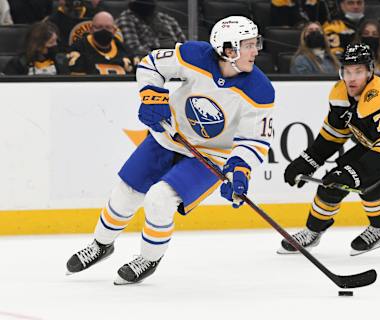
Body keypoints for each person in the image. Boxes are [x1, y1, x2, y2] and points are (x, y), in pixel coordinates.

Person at [65, 16, 275, 284]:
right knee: (125, 192)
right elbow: (151, 64)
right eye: (248, 44)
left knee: (159, 199)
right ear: (228, 49)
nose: (256, 50)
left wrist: (239, 169)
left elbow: (254, 141)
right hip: (169, 135)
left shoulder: (261, 90)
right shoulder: (194, 54)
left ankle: (149, 259)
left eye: (255, 43)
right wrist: (152, 95)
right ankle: (101, 245)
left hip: (211, 156)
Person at [279, 43, 380, 256]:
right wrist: (306, 162)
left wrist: (354, 175)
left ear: (370, 71)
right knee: (333, 180)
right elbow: (331, 138)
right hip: (377, 146)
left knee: (370, 180)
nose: (351, 78)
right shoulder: (340, 95)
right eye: (347, 71)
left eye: (358, 72)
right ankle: (312, 231)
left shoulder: (379, 96)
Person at [67, 11, 133, 75]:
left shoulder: (123, 49)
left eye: (108, 27)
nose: (103, 30)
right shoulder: (79, 48)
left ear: (114, 30)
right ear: (91, 30)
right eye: (99, 27)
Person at [115, 0, 186, 58]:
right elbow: (134, 50)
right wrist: (158, 48)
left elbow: (185, 46)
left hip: (176, 63)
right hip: (148, 66)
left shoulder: (166, 19)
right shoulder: (126, 19)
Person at [3, 21, 69, 75]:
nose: (55, 45)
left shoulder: (60, 61)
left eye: (56, 41)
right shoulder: (18, 64)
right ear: (37, 46)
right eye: (51, 42)